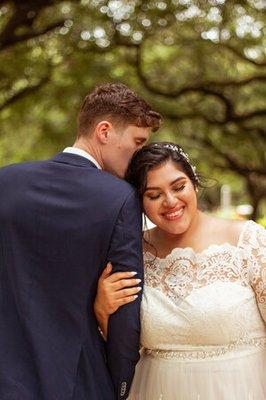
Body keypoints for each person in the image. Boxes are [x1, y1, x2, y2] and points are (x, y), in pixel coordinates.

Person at [0, 83, 161, 400]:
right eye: (137, 142)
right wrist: (120, 384)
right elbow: (124, 313)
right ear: (104, 131)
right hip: (78, 383)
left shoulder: (5, 181)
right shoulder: (119, 198)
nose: (140, 154)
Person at [95, 142, 266, 400]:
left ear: (193, 182)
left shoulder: (247, 240)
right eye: (154, 195)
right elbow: (125, 349)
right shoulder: (131, 253)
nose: (170, 201)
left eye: (178, 187)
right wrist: (102, 309)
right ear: (140, 202)